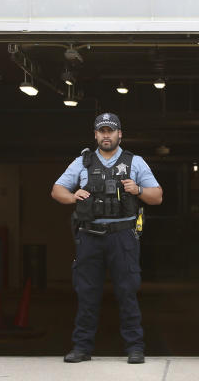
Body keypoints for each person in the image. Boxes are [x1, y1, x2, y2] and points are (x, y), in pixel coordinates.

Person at [51, 113, 163, 364]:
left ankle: (135, 348)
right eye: (101, 131)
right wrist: (73, 196)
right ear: (95, 135)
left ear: (119, 134)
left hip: (123, 236)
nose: (106, 135)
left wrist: (139, 190)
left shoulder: (135, 162)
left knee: (127, 292)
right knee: (87, 293)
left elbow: (157, 196)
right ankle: (81, 348)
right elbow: (57, 190)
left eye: (110, 131)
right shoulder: (82, 162)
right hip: (89, 236)